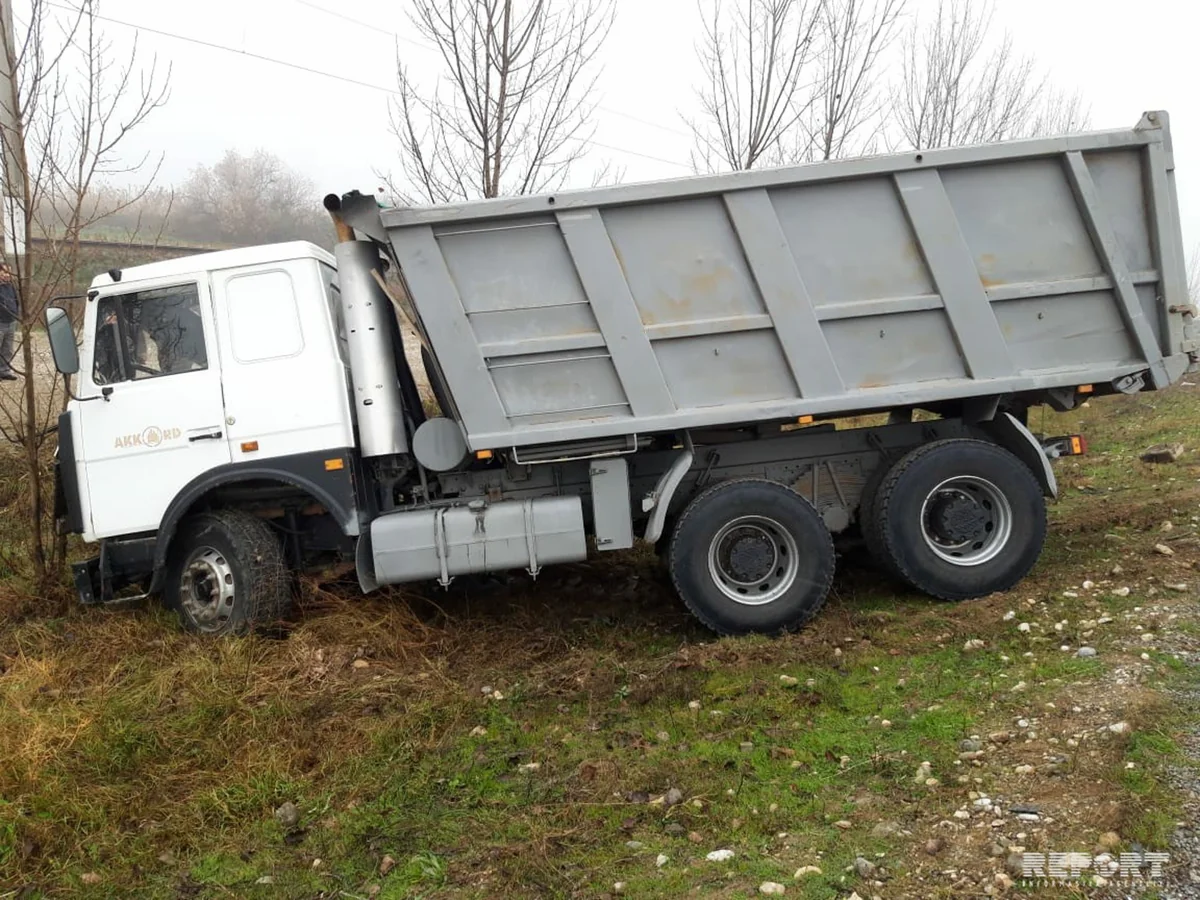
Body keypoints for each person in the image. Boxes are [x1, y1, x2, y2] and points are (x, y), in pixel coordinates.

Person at [0, 264, 18, 381]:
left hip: (11, 322)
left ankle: (4, 370)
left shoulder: (11, 287)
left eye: (9, 273)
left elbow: (16, 301)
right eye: (4, 272)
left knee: (7, 349)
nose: (7, 275)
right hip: (0, 322)